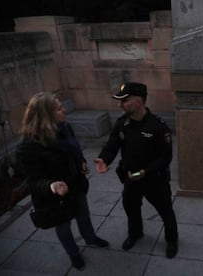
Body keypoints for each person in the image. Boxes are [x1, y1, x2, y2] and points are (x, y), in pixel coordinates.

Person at [16, 92, 109, 270]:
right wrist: (52, 185)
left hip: (75, 185)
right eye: (59, 109)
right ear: (46, 116)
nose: (64, 111)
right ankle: (73, 254)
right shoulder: (28, 146)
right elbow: (34, 181)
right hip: (54, 196)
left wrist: (81, 162)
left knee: (84, 215)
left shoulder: (64, 127)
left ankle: (90, 238)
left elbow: (74, 149)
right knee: (64, 227)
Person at [94, 82, 178, 258]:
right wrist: (104, 159)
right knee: (131, 208)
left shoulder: (158, 127)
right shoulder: (121, 124)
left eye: (124, 100)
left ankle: (172, 240)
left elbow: (165, 158)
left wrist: (145, 172)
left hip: (155, 180)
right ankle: (135, 234)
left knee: (166, 212)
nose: (120, 105)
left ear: (138, 101)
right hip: (131, 179)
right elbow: (112, 145)